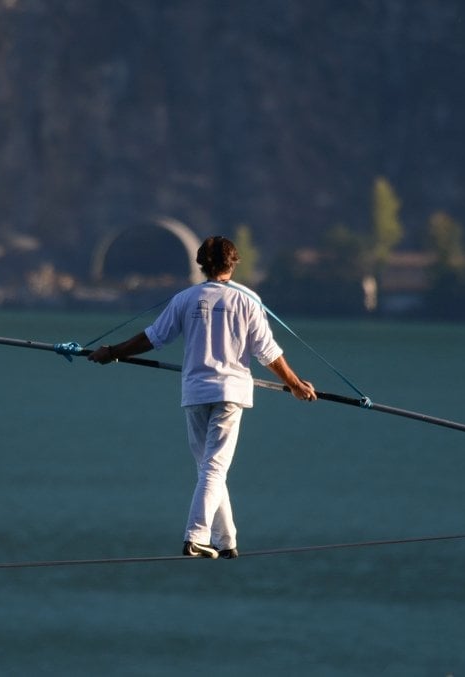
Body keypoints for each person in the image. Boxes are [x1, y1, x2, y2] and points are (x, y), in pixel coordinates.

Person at [88, 235, 316, 559]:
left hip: (195, 393)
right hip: (230, 393)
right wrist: (295, 384)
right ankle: (196, 536)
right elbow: (268, 353)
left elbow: (153, 338)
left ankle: (226, 540)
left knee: (209, 468)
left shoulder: (185, 299)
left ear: (201, 265)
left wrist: (113, 352)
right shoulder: (248, 301)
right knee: (213, 469)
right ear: (233, 264)